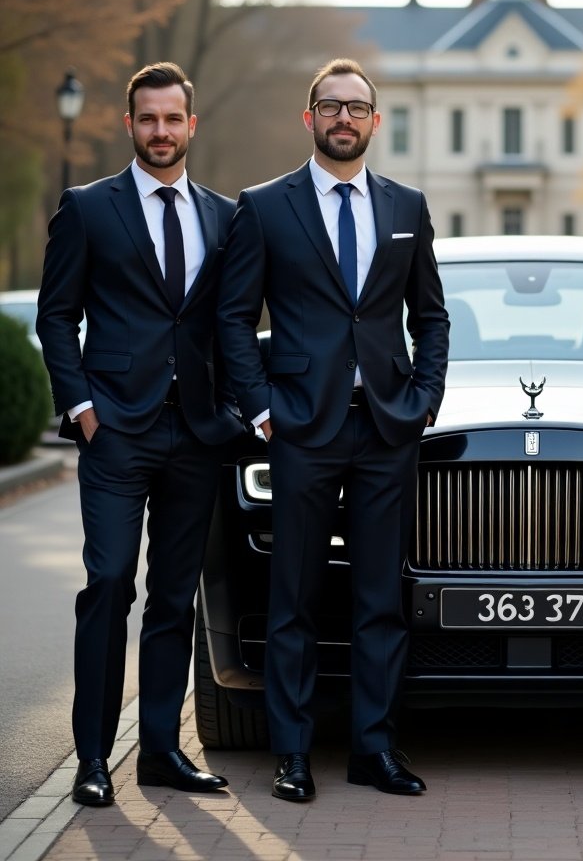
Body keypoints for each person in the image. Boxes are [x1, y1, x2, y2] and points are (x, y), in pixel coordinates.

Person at [217, 58, 448, 803]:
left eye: (357, 108)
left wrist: (425, 400)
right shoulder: (264, 206)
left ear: (376, 121)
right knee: (296, 599)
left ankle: (374, 750)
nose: (343, 118)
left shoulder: (407, 205)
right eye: (330, 106)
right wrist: (260, 411)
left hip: (386, 429)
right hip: (300, 431)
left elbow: (432, 316)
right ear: (309, 117)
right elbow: (232, 318)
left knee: (380, 598)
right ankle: (292, 754)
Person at [36, 62, 239, 806]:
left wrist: (232, 415)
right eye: (148, 119)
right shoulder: (89, 209)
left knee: (174, 599)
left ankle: (159, 753)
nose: (161, 131)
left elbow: (230, 322)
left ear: (192, 124)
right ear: (131, 126)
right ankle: (92, 758)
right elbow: (56, 316)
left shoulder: (224, 217)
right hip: (116, 431)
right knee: (111, 581)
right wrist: (82, 409)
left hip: (197, 433)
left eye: (172, 119)